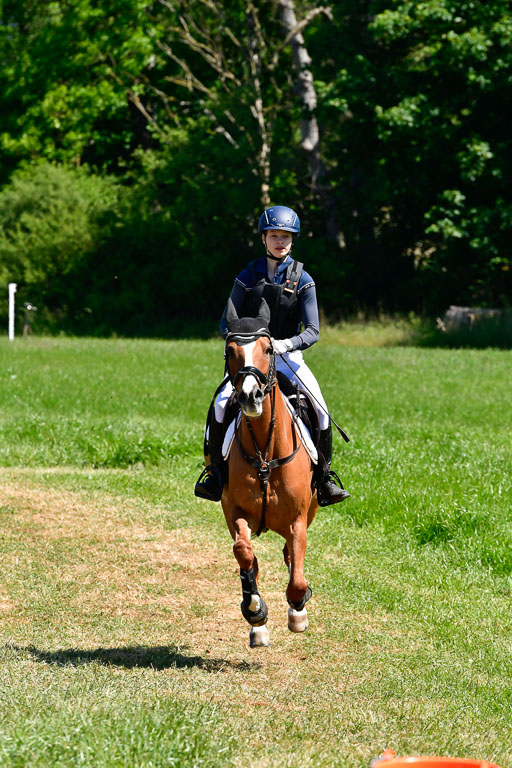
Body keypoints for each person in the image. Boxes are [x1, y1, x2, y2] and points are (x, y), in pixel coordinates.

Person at [194, 204, 350, 506]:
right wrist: (247, 341)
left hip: (288, 358)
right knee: (222, 402)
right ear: (264, 238)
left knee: (320, 408)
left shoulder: (303, 278)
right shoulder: (247, 275)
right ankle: (215, 473)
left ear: (293, 240)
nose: (281, 242)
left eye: (287, 237)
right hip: (252, 358)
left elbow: (313, 331)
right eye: (275, 236)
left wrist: (285, 344)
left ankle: (324, 478)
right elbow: (226, 320)